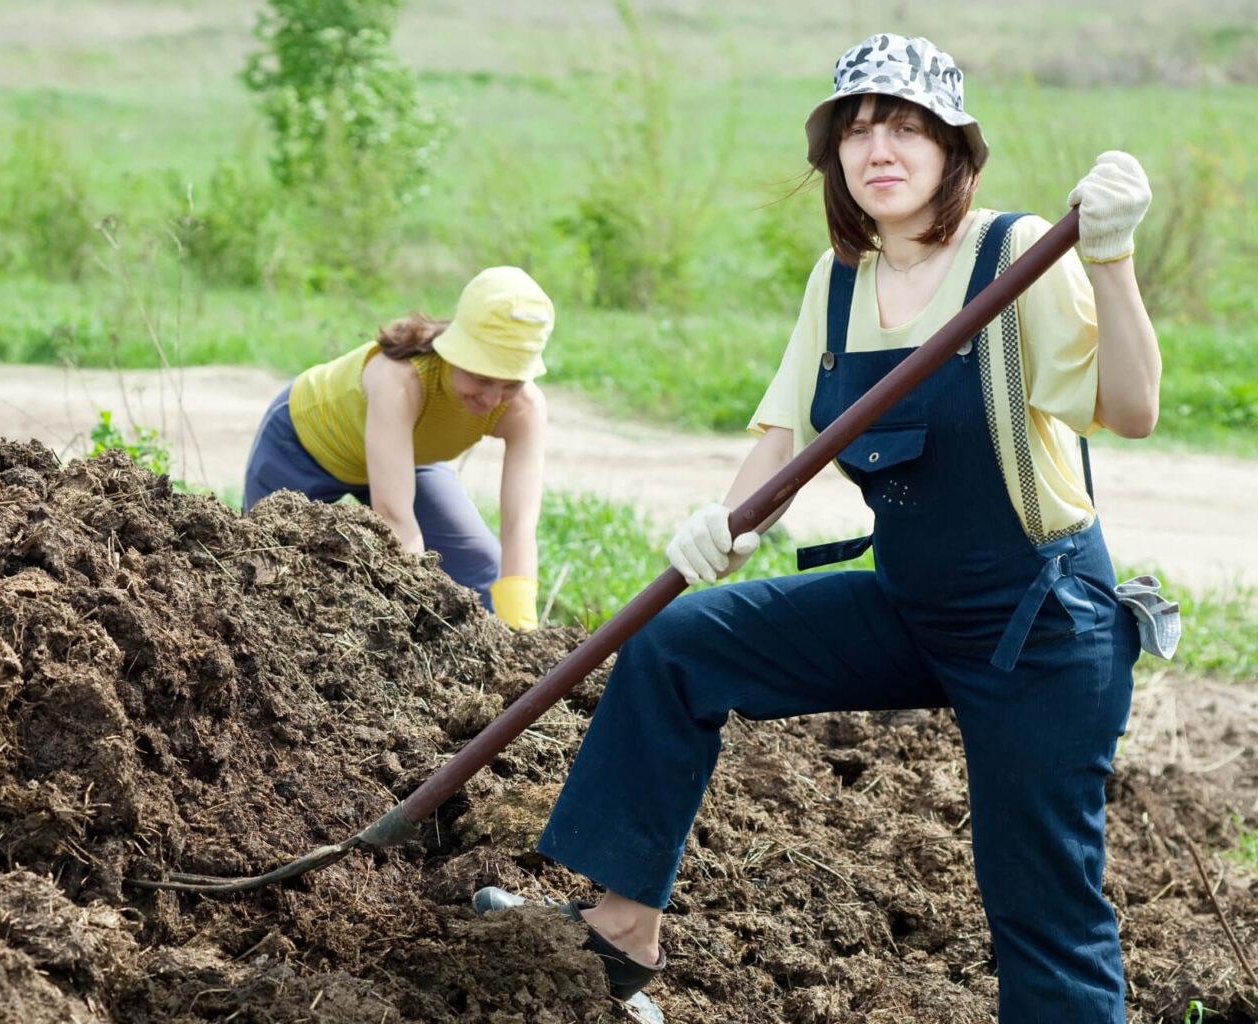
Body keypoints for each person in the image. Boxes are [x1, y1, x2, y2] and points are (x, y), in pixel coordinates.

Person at [476, 33, 1176, 1021]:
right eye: (855, 130)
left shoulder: (1015, 257)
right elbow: (784, 426)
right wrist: (725, 524)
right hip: (911, 602)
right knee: (679, 645)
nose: (876, 147)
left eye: (903, 125)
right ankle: (619, 931)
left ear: (951, 147)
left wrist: (1111, 259)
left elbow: (1135, 407)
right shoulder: (838, 282)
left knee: (1038, 898)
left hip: (1042, 627)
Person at [243, 266, 553, 631]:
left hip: (408, 460)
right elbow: (395, 517)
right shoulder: (400, 379)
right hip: (301, 447)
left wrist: (522, 630)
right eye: (481, 377)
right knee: (267, 568)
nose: (492, 398)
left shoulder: (524, 408)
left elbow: (519, 526)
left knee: (480, 566)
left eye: (510, 383)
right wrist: (417, 617)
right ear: (455, 353)